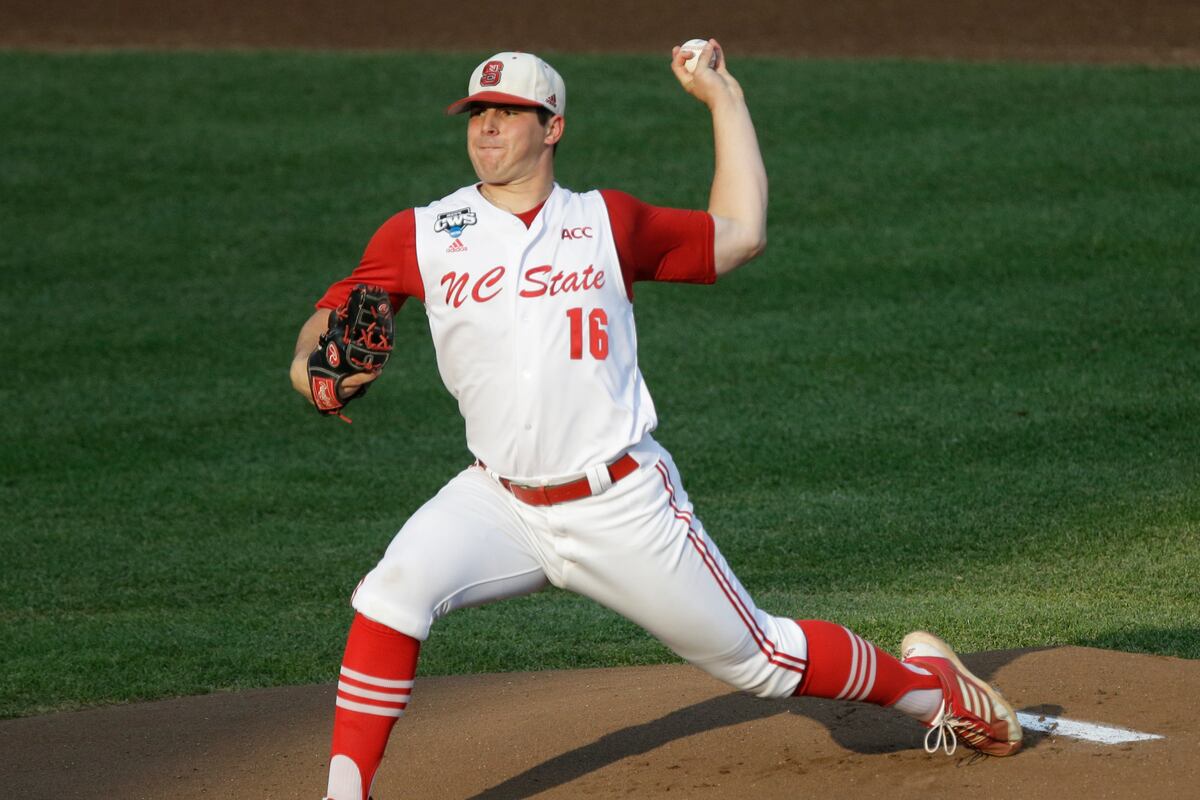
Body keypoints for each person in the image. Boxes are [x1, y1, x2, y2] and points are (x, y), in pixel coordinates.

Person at [290, 42, 1023, 800]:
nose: (488, 126)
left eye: (509, 112)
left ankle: (935, 692)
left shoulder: (606, 221)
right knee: (390, 596)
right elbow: (326, 324)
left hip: (619, 503)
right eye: (478, 112)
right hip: (498, 501)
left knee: (762, 661)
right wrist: (314, 372)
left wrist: (723, 100)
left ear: (553, 127)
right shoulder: (421, 233)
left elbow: (741, 233)